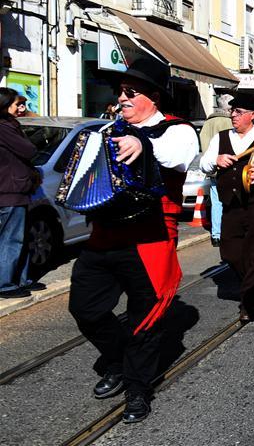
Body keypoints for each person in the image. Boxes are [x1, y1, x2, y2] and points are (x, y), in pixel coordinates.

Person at [67, 57, 198, 423]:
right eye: (120, 92)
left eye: (131, 92)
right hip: (105, 236)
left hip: (151, 237)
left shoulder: (177, 130)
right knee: (85, 308)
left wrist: (142, 143)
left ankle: (138, 388)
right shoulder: (108, 130)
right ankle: (117, 359)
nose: (122, 98)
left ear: (153, 98)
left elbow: (176, 157)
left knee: (146, 321)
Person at [199, 93, 254, 322]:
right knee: (230, 253)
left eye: (238, 112)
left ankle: (249, 302)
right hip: (231, 205)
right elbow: (204, 163)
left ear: (253, 115)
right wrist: (216, 161)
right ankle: (250, 286)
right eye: (232, 111)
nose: (233, 115)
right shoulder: (221, 138)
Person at [0, 89, 38, 299]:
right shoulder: (3, 127)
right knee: (11, 239)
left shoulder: (10, 125)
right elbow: (29, 150)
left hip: (17, 190)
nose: (21, 109)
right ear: (5, 106)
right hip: (9, 191)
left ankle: (21, 280)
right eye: (17, 104)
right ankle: (5, 284)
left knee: (19, 238)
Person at [199, 93, 234, 247]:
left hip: (211, 167)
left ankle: (216, 234)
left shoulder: (208, 123)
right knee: (229, 201)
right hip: (227, 167)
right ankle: (227, 232)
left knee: (216, 201)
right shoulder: (229, 123)